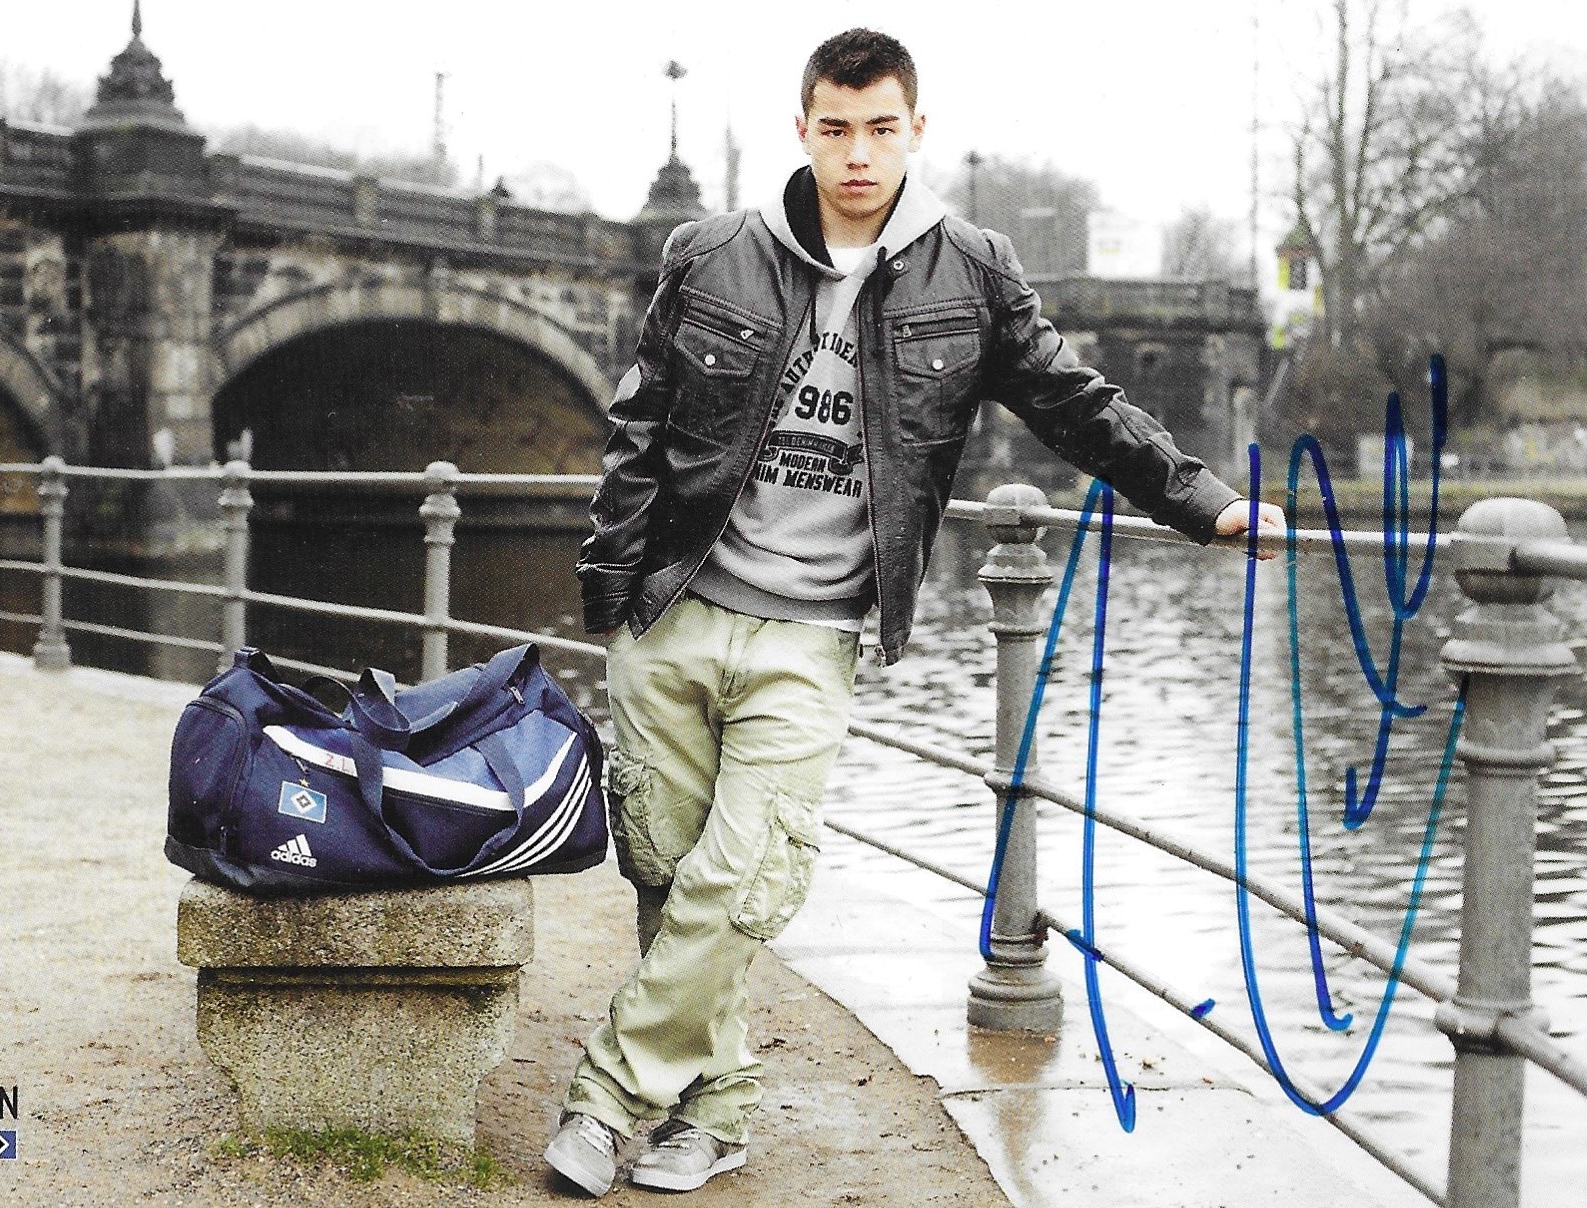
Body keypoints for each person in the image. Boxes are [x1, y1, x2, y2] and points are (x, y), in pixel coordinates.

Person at [547, 27, 1283, 1197]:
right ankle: (715, 1111)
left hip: (810, 632)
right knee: (668, 872)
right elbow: (640, 426)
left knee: (740, 876)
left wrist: (1201, 499)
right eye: (836, 129)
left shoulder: (971, 271)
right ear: (803, 129)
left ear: (915, 131)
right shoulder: (712, 252)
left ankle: (606, 1099)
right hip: (677, 611)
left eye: (881, 129)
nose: (858, 154)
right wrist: (614, 596)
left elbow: (1073, 403)